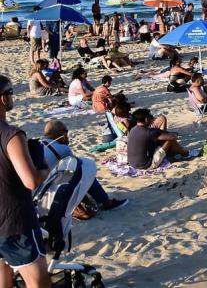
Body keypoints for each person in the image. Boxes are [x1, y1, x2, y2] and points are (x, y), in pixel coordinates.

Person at [0, 75, 51, 288]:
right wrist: (44, 170)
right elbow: (30, 181)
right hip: (15, 223)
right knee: (38, 283)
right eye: (11, 92)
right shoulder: (11, 135)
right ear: (3, 99)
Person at [40, 121, 127, 213]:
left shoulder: (38, 144)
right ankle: (106, 202)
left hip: (37, 193)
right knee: (85, 170)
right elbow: (76, 168)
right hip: (49, 193)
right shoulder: (63, 149)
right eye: (65, 132)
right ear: (60, 133)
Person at [127, 108, 192, 169]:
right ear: (146, 119)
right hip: (146, 165)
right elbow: (173, 137)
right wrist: (174, 134)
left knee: (160, 140)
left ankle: (177, 152)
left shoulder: (133, 129)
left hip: (133, 163)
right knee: (170, 140)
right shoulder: (148, 132)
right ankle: (186, 154)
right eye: (150, 117)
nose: (152, 119)